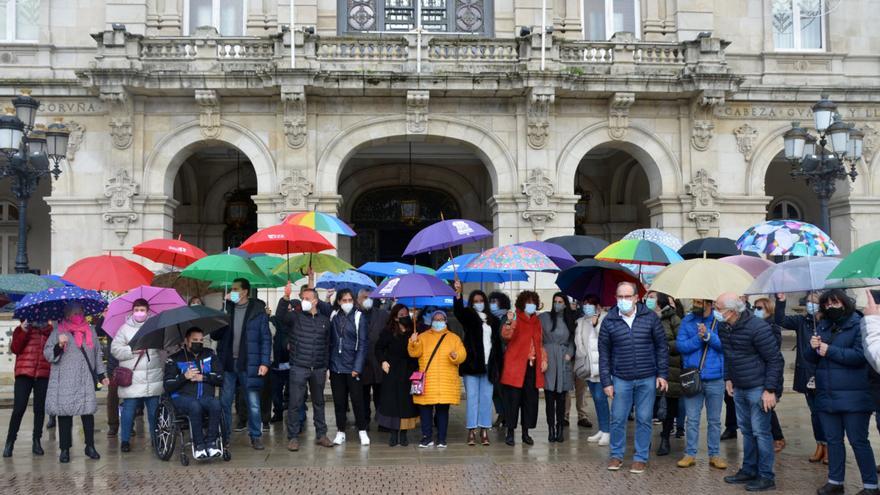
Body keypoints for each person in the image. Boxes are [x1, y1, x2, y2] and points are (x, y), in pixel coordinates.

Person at [807, 289, 878, 495]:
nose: (831, 307)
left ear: (845, 303)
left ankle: (871, 486)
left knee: (858, 441)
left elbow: (861, 356)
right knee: (833, 441)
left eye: (835, 303)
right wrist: (812, 347)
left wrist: (830, 350)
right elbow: (811, 359)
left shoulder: (859, 324)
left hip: (855, 396)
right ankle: (835, 481)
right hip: (827, 395)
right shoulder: (824, 324)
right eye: (827, 304)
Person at [716, 292, 784, 492]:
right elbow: (728, 355)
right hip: (739, 386)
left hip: (759, 387)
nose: (715, 312)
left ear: (731, 311)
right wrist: (728, 378)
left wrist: (770, 390)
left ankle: (766, 475)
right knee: (746, 431)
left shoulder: (758, 327)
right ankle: (749, 469)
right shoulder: (724, 326)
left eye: (718, 308)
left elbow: (775, 360)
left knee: (761, 432)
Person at [600, 282, 668, 475]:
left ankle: (640, 458)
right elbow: (603, 353)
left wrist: (662, 374)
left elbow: (661, 347)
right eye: (620, 297)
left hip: (647, 377)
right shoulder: (609, 320)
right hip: (621, 377)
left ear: (637, 298)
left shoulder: (650, 318)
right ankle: (616, 455)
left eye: (628, 297)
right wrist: (607, 382)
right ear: (615, 297)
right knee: (618, 418)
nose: (624, 301)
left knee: (645, 418)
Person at [43, 302, 109, 463]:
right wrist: (59, 345)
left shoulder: (91, 330)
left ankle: (90, 446)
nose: (77, 315)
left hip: (85, 378)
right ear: (66, 314)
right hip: (64, 379)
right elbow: (47, 354)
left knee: (87, 413)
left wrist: (102, 375)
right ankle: (65, 449)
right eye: (73, 312)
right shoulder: (58, 331)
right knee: (65, 415)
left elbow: (97, 355)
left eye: (80, 311)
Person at [213, 278, 271, 450]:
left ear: (245, 291)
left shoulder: (258, 311)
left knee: (253, 402)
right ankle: (225, 436)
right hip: (228, 363)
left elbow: (265, 339)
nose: (233, 291)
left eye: (236, 289)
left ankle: (255, 436)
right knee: (225, 401)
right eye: (231, 289)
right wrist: (223, 311)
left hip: (249, 363)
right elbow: (216, 335)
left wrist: (265, 362)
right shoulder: (227, 309)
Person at [280, 286, 334, 451]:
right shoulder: (295, 317)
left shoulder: (324, 320)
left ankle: (321, 434)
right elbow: (280, 316)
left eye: (307, 298)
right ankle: (293, 437)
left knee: (319, 402)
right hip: (298, 367)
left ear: (315, 301)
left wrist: (325, 368)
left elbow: (327, 346)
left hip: (318, 368)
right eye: (302, 298)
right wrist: (285, 298)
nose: (304, 301)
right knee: (295, 403)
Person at [775, 291, 827, 463]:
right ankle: (820, 444)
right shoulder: (801, 321)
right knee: (814, 413)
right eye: (808, 302)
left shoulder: (827, 323)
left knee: (824, 412)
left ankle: (830, 447)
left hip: (823, 373)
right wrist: (781, 301)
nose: (810, 305)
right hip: (806, 373)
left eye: (814, 302)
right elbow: (780, 320)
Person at [676, 298, 727, 470]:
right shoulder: (687, 320)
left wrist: (708, 335)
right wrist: (698, 338)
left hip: (715, 378)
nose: (696, 305)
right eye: (695, 302)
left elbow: (724, 345)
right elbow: (681, 346)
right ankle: (690, 454)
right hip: (693, 377)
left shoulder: (719, 320)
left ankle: (715, 455)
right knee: (692, 419)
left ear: (709, 304)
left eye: (700, 302)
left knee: (714, 420)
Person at [110, 298, 164, 453]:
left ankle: (156, 439)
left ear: (148, 311)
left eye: (142, 310)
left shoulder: (155, 327)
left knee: (154, 412)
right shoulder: (124, 329)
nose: (139, 313)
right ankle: (125, 440)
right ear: (132, 311)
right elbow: (115, 350)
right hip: (132, 378)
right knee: (129, 411)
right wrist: (132, 350)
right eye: (137, 310)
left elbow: (163, 348)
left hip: (152, 377)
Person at [453, 280, 502, 446]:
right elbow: (458, 311)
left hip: (489, 365)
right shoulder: (468, 316)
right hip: (472, 365)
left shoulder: (494, 320)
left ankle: (484, 430)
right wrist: (458, 293)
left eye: (481, 301)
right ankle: (471, 430)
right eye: (475, 301)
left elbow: (498, 344)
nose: (479, 303)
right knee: (472, 398)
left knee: (486, 398)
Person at [408, 309, 466, 448]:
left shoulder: (454, 338)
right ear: (431, 321)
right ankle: (427, 437)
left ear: (445, 321)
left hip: (445, 381)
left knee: (442, 411)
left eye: (441, 319)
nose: (438, 322)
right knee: (425, 411)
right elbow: (414, 353)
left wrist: (456, 356)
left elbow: (462, 354)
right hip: (428, 381)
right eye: (436, 319)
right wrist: (413, 342)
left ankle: (441, 438)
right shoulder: (422, 336)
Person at [164, 327, 225, 459]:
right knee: (194, 406)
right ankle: (199, 446)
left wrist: (203, 377)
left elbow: (221, 378)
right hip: (182, 398)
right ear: (186, 341)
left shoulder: (210, 355)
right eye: (195, 340)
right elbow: (168, 385)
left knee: (216, 404)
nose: (199, 343)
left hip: (205, 397)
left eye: (201, 340)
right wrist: (184, 377)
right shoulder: (174, 359)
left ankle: (211, 443)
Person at [500, 290, 546, 446]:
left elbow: (540, 343)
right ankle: (510, 432)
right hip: (515, 367)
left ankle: (526, 432)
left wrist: (543, 359)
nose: (531, 305)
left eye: (533, 302)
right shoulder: (515, 319)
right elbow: (506, 336)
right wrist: (508, 322)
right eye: (528, 302)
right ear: (522, 303)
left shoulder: (537, 322)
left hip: (532, 367)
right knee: (513, 401)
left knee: (530, 401)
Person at [3, 319, 53, 457]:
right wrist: (23, 330)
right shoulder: (21, 329)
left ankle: (36, 441)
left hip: (43, 374)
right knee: (19, 409)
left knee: (39, 409)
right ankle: (10, 442)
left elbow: (53, 353)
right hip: (24, 374)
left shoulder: (49, 331)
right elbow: (15, 348)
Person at [327, 289, 370, 446]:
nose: (347, 303)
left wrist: (357, 367)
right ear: (339, 301)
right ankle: (340, 431)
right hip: (336, 366)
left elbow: (363, 344)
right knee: (339, 402)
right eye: (343, 300)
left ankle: (362, 431)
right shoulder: (334, 316)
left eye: (349, 300)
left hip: (352, 367)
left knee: (358, 401)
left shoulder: (359, 317)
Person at [375, 304, 420, 446]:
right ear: (395, 317)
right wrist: (383, 361)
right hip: (392, 371)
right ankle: (393, 433)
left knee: (407, 403)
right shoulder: (387, 332)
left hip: (409, 370)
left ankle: (404, 434)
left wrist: (415, 341)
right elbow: (378, 348)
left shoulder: (414, 331)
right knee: (392, 402)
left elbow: (418, 352)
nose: (405, 317)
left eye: (407, 314)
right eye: (401, 315)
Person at [646, 291, 682, 457]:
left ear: (659, 300)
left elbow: (681, 341)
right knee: (647, 407)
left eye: (652, 297)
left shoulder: (672, 318)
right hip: (647, 368)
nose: (648, 299)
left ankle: (665, 438)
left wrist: (666, 347)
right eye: (648, 297)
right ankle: (644, 441)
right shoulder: (643, 316)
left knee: (668, 407)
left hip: (670, 369)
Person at [540, 292, 577, 443]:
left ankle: (560, 427)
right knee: (549, 397)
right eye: (555, 301)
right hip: (549, 359)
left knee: (562, 397)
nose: (557, 304)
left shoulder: (570, 319)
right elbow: (536, 334)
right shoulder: (544, 318)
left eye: (560, 301)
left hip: (563, 359)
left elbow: (573, 340)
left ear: (565, 303)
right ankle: (550, 429)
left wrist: (570, 353)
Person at [573, 295, 610, 446]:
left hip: (602, 367)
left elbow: (606, 341)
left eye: (590, 304)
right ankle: (602, 429)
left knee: (602, 398)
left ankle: (607, 431)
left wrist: (596, 325)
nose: (586, 307)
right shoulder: (581, 322)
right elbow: (579, 344)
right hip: (589, 367)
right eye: (585, 304)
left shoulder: (607, 319)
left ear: (598, 306)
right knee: (595, 399)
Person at [753, 297, 786, 454]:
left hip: (770, 374)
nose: (756, 310)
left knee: (768, 408)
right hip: (758, 372)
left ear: (768, 309)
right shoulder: (755, 325)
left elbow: (773, 352)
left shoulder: (772, 327)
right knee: (763, 409)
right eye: (755, 307)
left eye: (759, 308)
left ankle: (778, 437)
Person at [357, 288, 389, 430]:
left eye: (370, 297)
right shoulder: (355, 314)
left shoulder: (383, 314)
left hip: (379, 361)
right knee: (362, 395)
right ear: (358, 299)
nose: (367, 299)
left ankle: (382, 421)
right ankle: (364, 422)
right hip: (361, 362)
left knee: (381, 394)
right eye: (364, 297)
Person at [488, 291, 511, 428]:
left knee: (504, 388)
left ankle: (507, 414)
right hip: (494, 357)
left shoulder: (508, 317)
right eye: (490, 301)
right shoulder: (489, 318)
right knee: (495, 388)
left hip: (506, 357)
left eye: (494, 301)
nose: (492, 304)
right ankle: (501, 412)